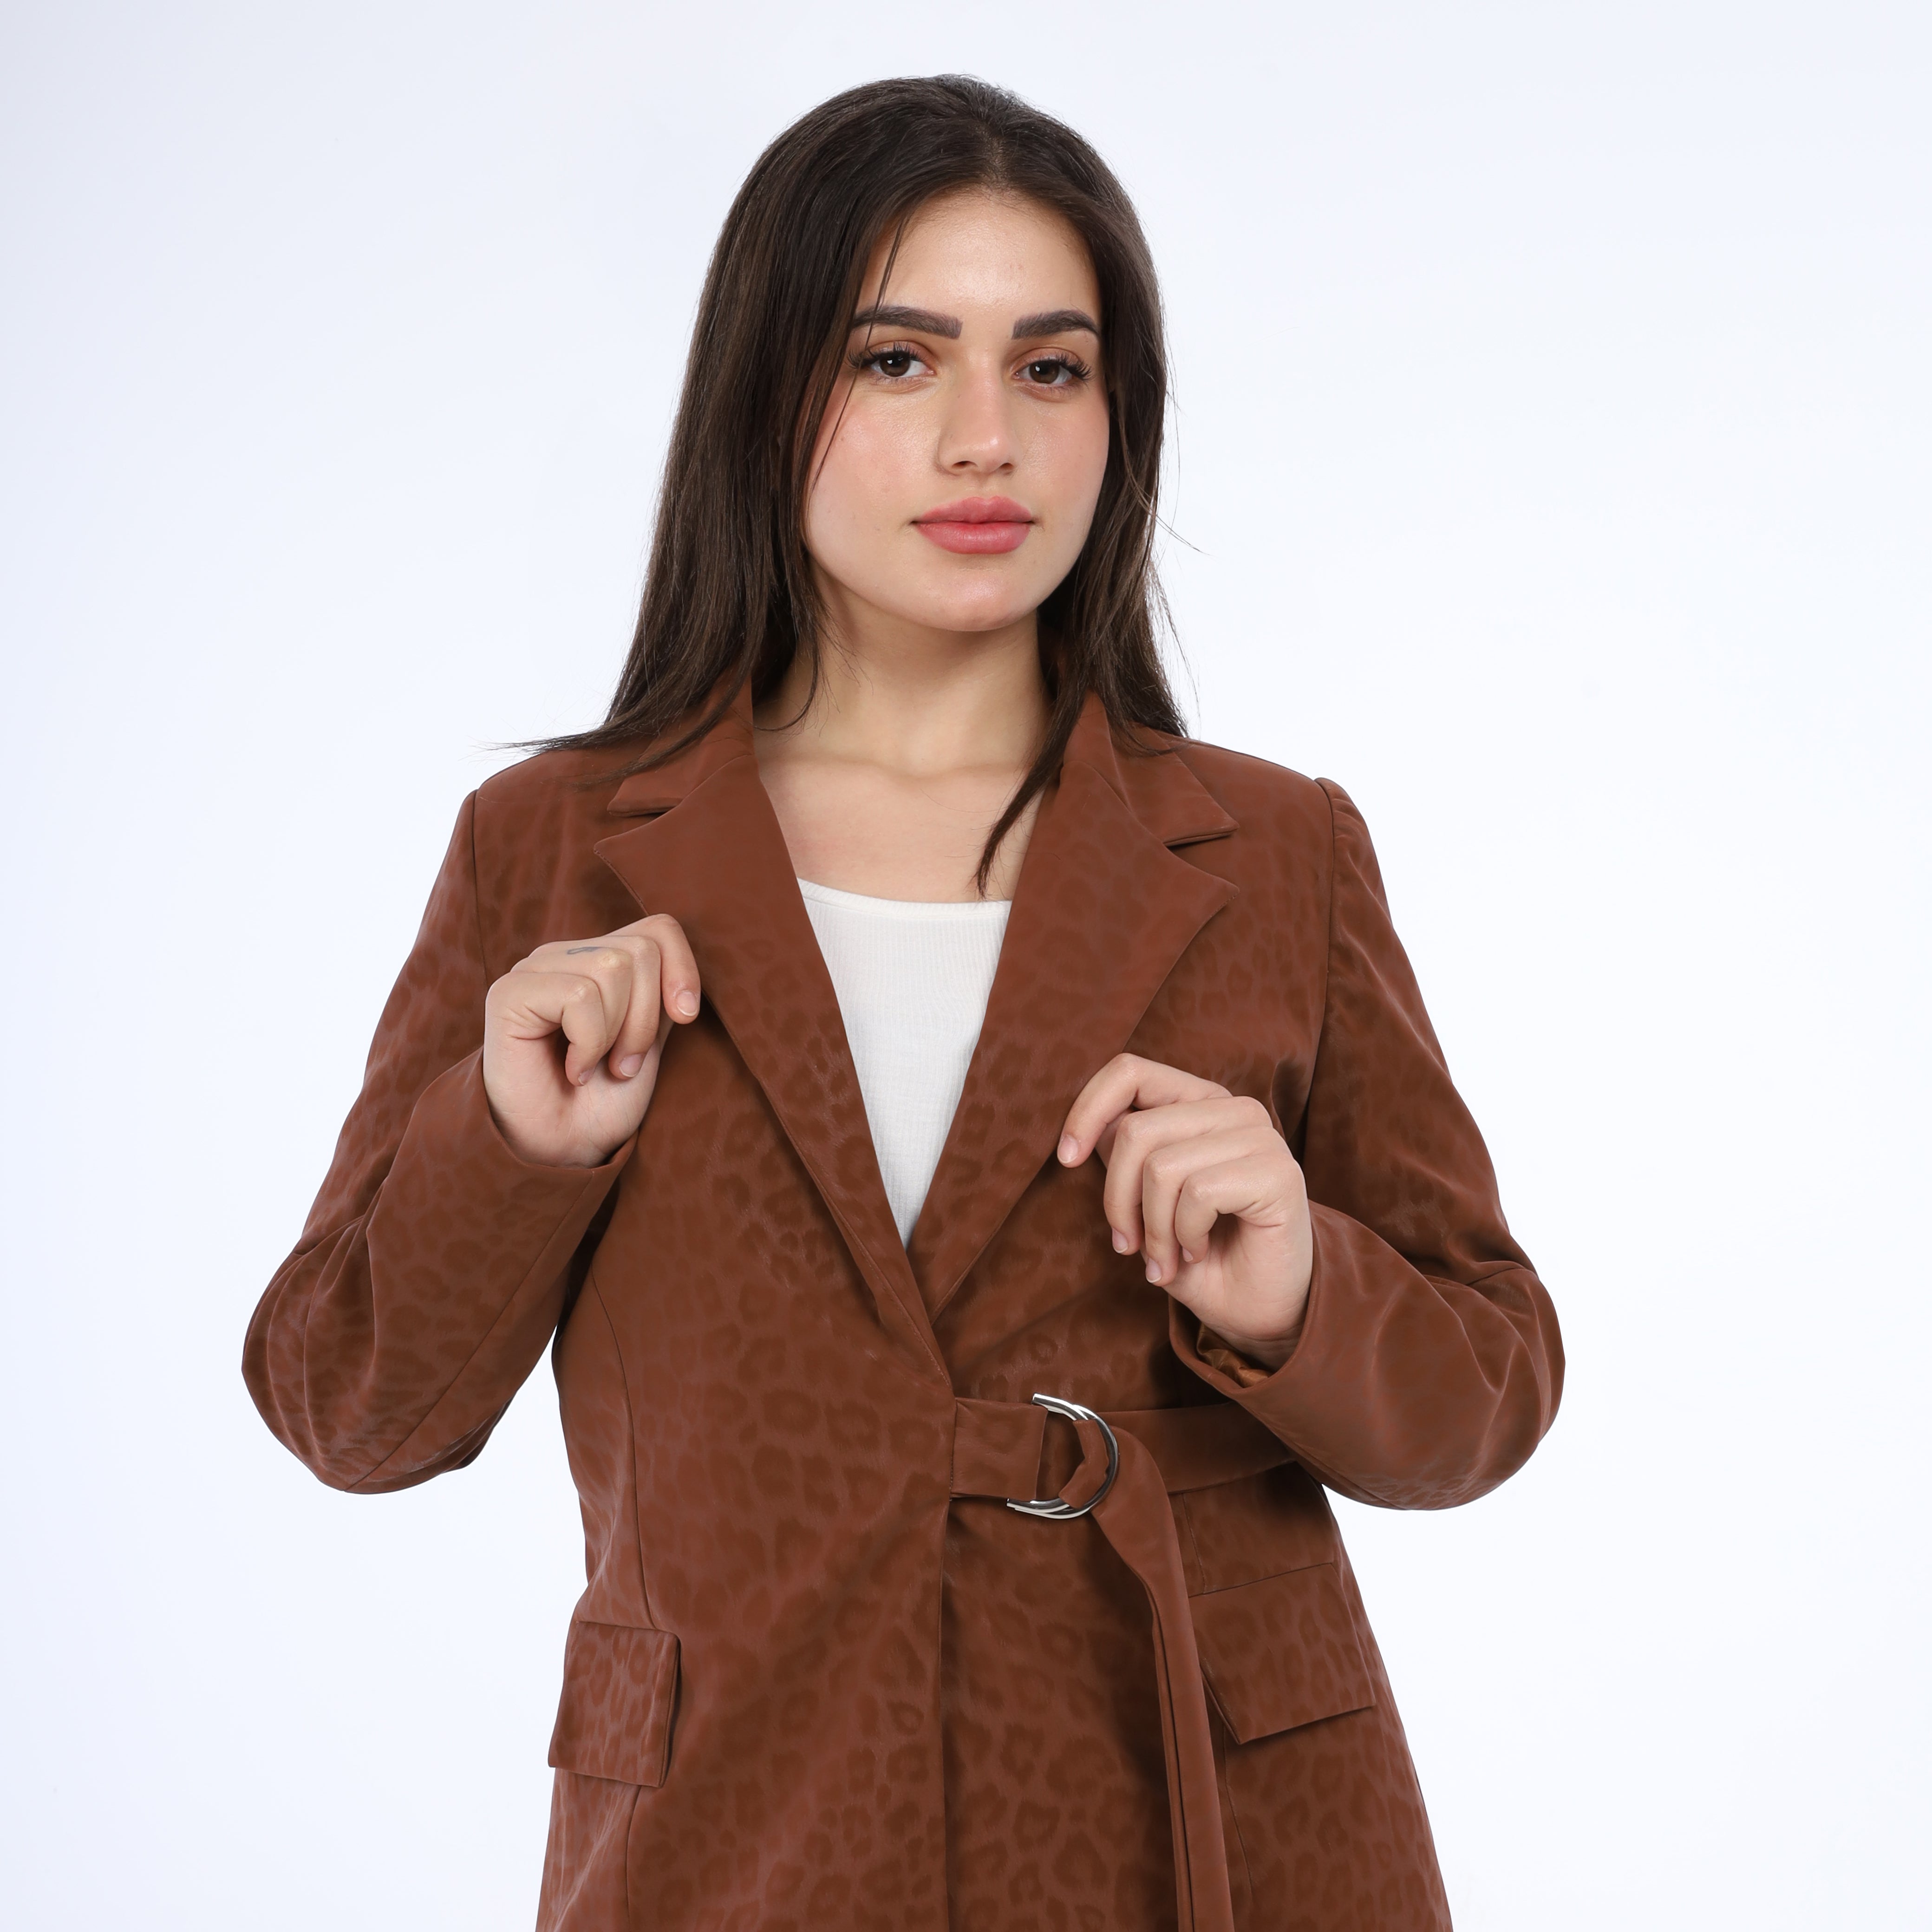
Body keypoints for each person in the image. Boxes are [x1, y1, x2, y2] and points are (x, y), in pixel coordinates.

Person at [244, 74, 1563, 1932]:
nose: (983, 438)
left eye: (1049, 367)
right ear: (766, 390)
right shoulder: (554, 847)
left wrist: (1293, 1290)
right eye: (892, 359)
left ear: (1120, 412)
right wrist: (514, 1147)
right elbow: (345, 1401)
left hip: (1213, 1830)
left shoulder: (1273, 853)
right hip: (733, 1830)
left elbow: (1484, 1386)